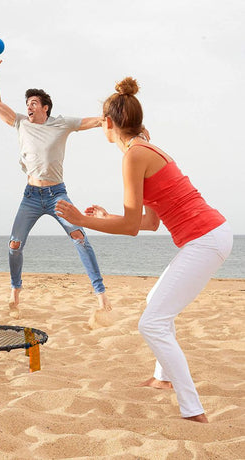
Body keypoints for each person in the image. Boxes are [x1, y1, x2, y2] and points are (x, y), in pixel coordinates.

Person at [55, 77, 233, 423]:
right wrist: (108, 216)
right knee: (156, 303)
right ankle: (162, 378)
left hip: (206, 238)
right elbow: (149, 222)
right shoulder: (145, 149)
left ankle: (193, 410)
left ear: (107, 124)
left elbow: (132, 229)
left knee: (151, 324)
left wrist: (82, 220)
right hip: (211, 235)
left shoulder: (134, 155)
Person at [0, 50, 111, 319]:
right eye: (27, 102)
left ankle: (101, 295)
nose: (29, 106)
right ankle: (15, 289)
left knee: (80, 237)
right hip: (31, 195)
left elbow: (93, 121)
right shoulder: (19, 123)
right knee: (14, 244)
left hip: (56, 194)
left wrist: (116, 119)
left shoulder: (61, 124)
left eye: (34, 102)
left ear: (45, 107)